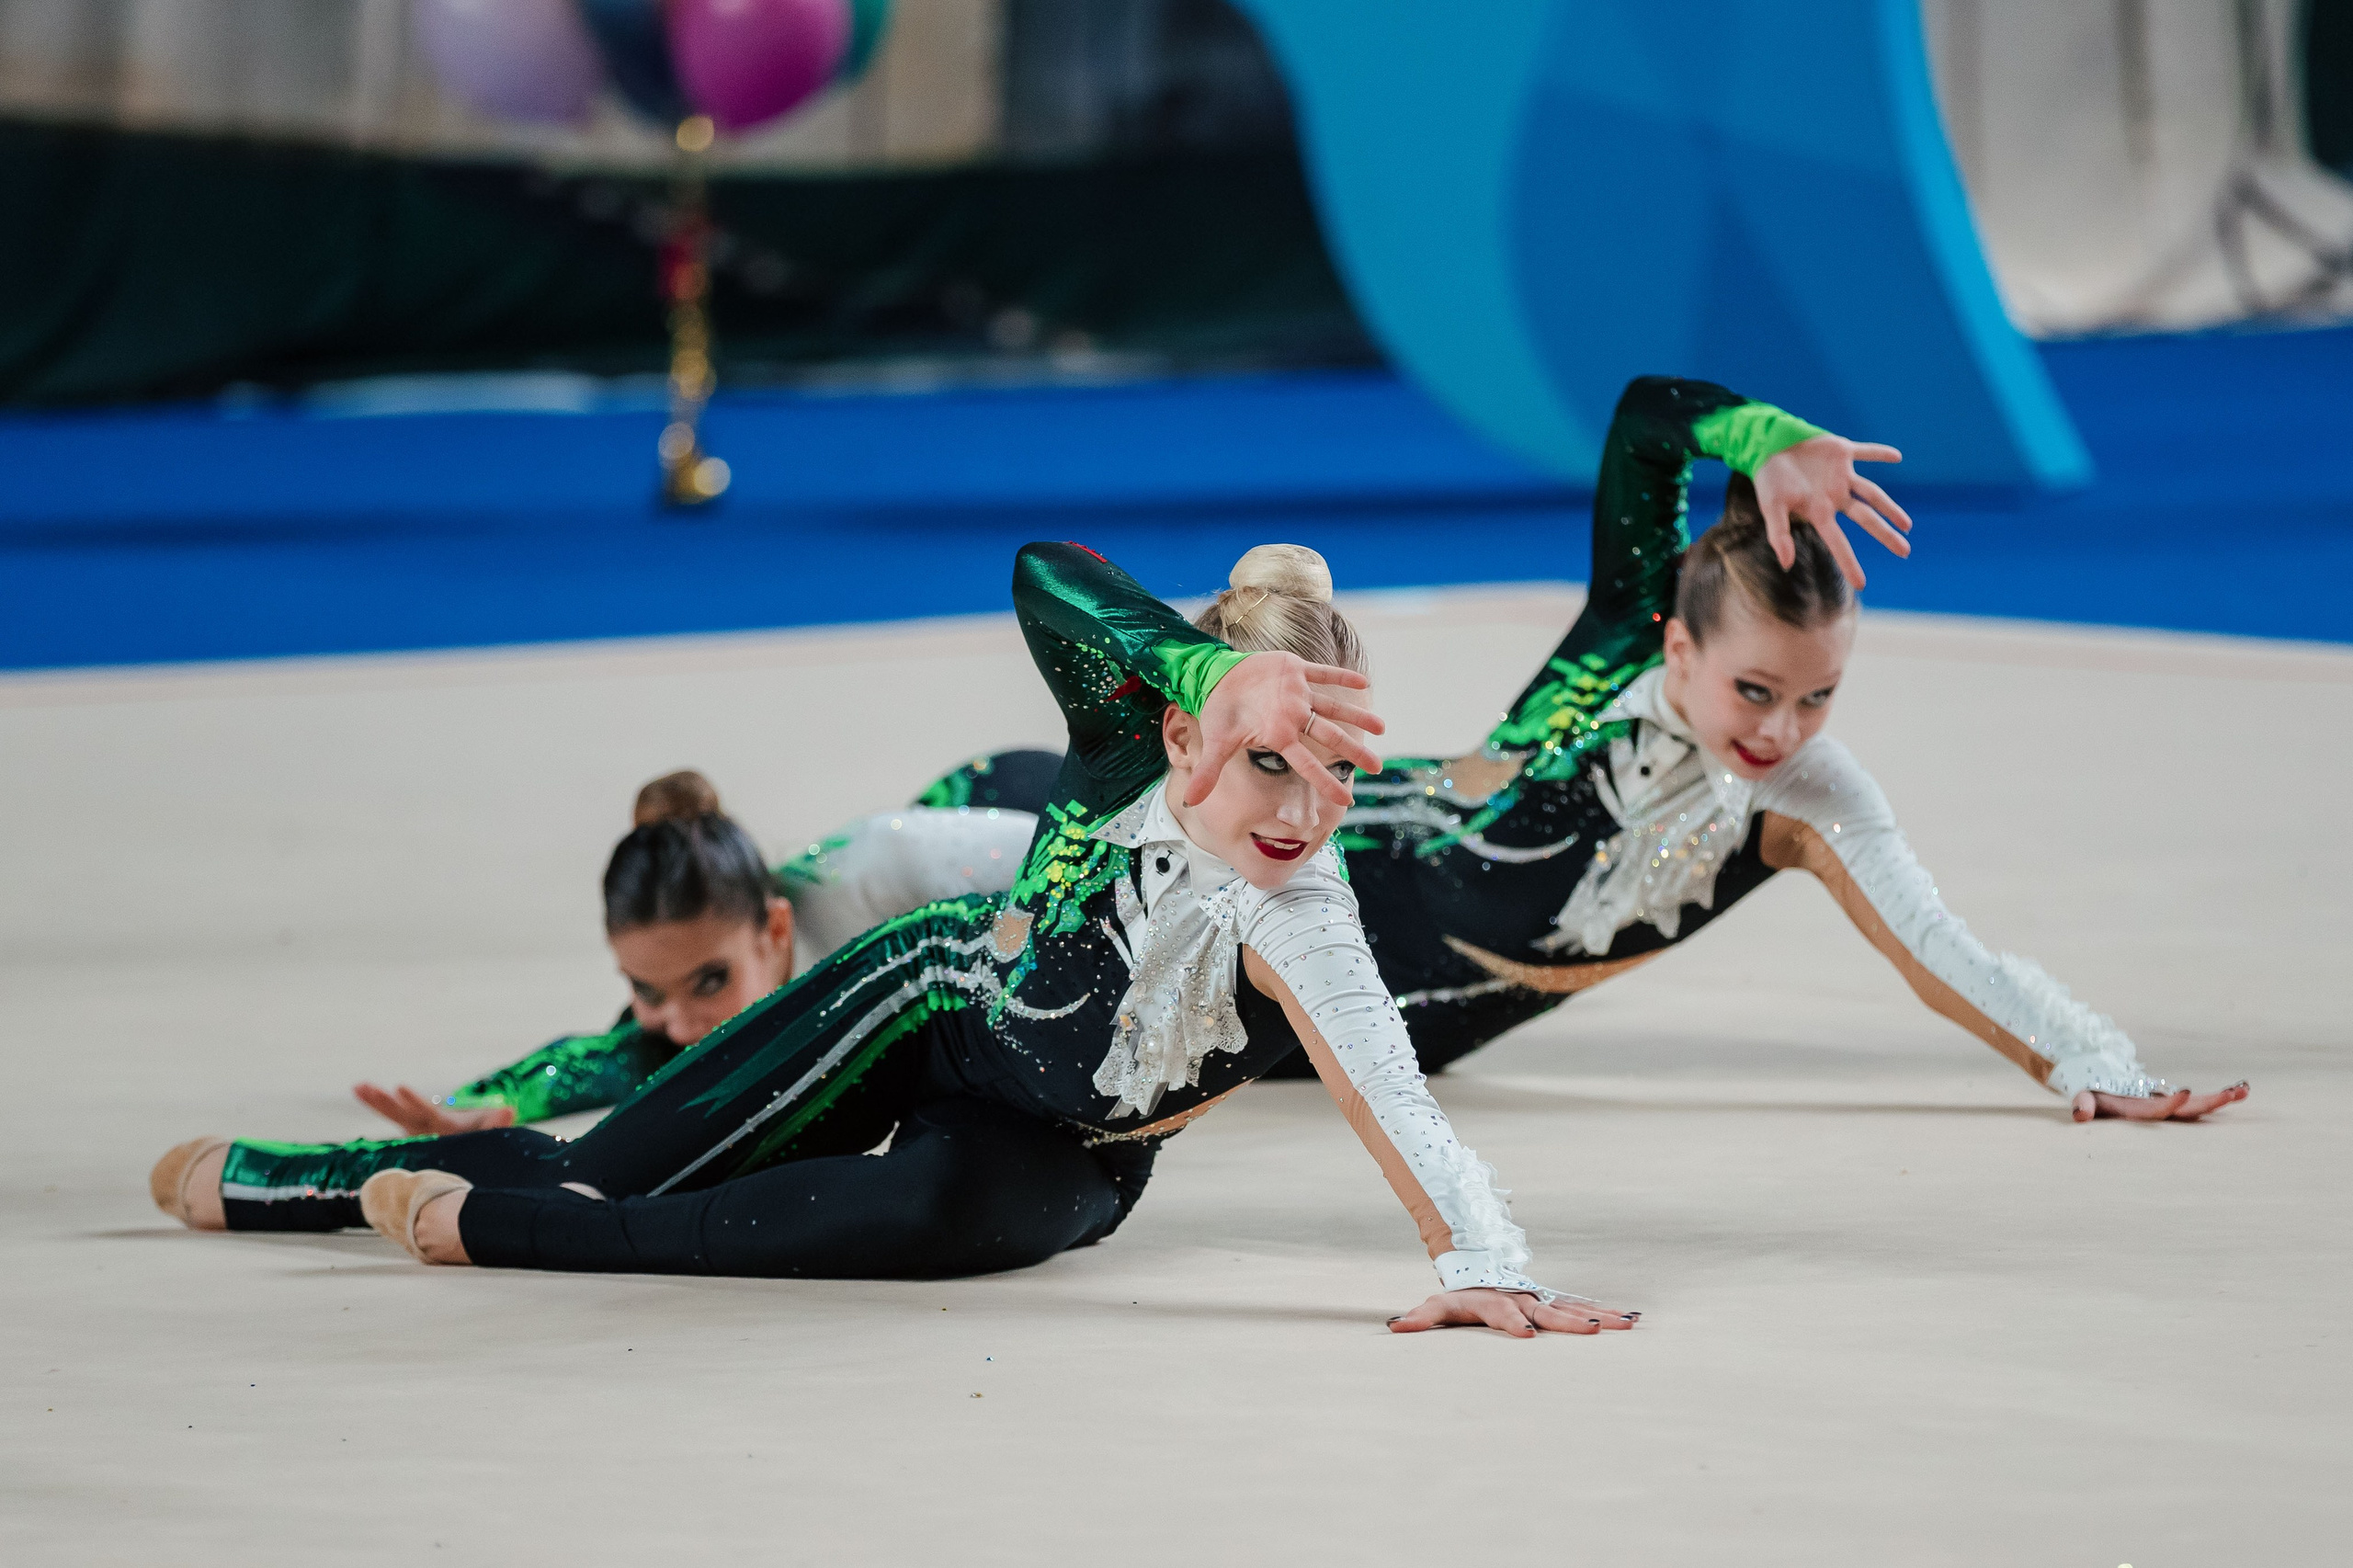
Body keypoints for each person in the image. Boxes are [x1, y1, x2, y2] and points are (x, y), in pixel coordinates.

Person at [152, 542, 1628, 1338]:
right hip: (921, 1002)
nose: (1306, 808)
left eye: (1336, 771)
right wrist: (1204, 661)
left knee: (907, 1231)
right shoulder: (1133, 755)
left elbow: (1390, 1085)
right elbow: (1049, 573)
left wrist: (1487, 1254)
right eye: (1269, 760)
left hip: (1075, 1148)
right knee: (614, 1160)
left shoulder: (1307, 904)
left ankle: (502, 1227)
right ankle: (318, 1185)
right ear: (1192, 731)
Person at [1267, 375, 2244, 1126]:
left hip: (1385, 1018)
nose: (1781, 729)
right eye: (1755, 691)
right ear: (1681, 648)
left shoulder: (1804, 798)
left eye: (1818, 696)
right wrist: (1769, 437)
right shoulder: (1624, 641)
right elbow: (1648, 419)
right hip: (1307, 856)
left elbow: (1937, 946)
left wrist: (2090, 1063)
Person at [348, 755, 1058, 1140]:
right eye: (646, 990)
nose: (680, 1024)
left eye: (709, 982)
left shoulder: (878, 868)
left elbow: (1093, 870)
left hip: (1019, 804)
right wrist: (480, 1103)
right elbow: (597, 1061)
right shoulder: (679, 1012)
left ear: (777, 931)